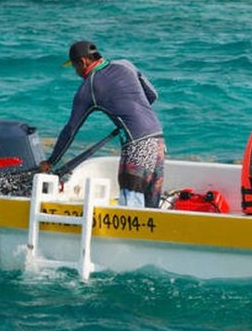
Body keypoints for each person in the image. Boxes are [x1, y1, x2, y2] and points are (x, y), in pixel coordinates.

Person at [41, 40, 166, 207]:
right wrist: (130, 114)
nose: (76, 72)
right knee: (152, 210)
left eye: (75, 67)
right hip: (158, 141)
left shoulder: (89, 87)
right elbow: (152, 95)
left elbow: (71, 130)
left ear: (83, 62)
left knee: (131, 209)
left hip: (138, 147)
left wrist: (51, 162)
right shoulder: (125, 64)